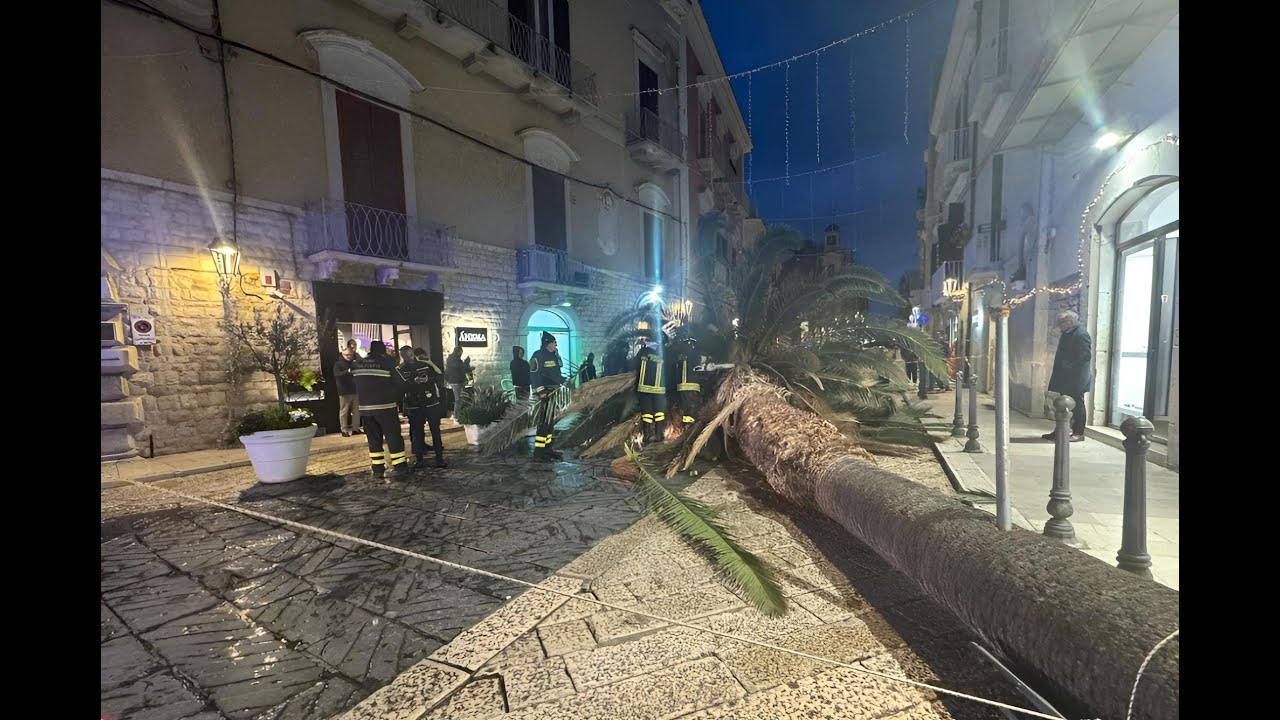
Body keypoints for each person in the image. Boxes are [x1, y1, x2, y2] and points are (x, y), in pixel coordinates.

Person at [352, 341, 410, 478]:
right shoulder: (388, 363)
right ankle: (400, 466)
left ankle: (377, 468)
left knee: (373, 438)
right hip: (386, 407)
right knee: (392, 436)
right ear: (383, 350)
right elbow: (401, 383)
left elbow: (354, 383)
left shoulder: (358, 364)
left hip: (365, 409)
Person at [1042, 310, 1093, 443]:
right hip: (1066, 376)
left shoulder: (1080, 334)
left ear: (1069, 322)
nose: (1059, 326)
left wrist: (1068, 366)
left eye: (1061, 323)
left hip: (1076, 378)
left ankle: (1078, 432)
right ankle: (1061, 430)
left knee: (1077, 404)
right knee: (1062, 404)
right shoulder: (1069, 333)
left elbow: (1085, 356)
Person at [397, 345, 447, 469]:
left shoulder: (425, 365)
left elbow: (438, 377)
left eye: (409, 354)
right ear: (402, 356)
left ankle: (439, 459)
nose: (407, 357)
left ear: (412, 353)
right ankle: (419, 460)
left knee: (435, 431)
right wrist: (412, 383)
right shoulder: (400, 369)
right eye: (404, 355)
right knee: (417, 434)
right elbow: (399, 388)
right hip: (414, 405)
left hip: (431, 403)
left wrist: (427, 379)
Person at [529, 331, 565, 460]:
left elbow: (556, 372)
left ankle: (548, 448)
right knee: (543, 423)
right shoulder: (537, 356)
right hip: (544, 395)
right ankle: (539, 452)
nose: (556, 345)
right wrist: (541, 391)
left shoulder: (554, 356)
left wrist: (562, 380)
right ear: (547, 344)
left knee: (551, 422)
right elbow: (534, 374)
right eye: (554, 343)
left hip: (554, 392)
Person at [634, 339, 667, 445]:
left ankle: (647, 436)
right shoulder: (664, 353)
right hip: (659, 389)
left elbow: (633, 365)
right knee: (660, 412)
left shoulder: (642, 352)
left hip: (644, 388)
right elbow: (670, 369)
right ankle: (659, 435)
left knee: (647, 413)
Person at [671, 340, 706, 426]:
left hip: (682, 386)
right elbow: (705, 363)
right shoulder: (697, 355)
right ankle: (692, 426)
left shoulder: (680, 356)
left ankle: (686, 425)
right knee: (693, 407)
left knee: (685, 407)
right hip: (693, 385)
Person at [333, 344, 360, 437]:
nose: (349, 357)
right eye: (347, 355)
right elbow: (336, 375)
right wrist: (347, 372)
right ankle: (344, 429)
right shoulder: (338, 364)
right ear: (343, 355)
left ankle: (356, 428)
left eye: (350, 355)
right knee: (344, 411)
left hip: (355, 389)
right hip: (344, 391)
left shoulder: (354, 363)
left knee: (356, 410)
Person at [445, 345, 467, 420]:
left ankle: (457, 414)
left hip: (454, 381)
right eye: (461, 352)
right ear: (459, 351)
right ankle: (456, 416)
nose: (461, 353)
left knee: (459, 399)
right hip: (457, 381)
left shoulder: (450, 359)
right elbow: (460, 368)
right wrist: (466, 364)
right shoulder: (456, 360)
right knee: (458, 399)